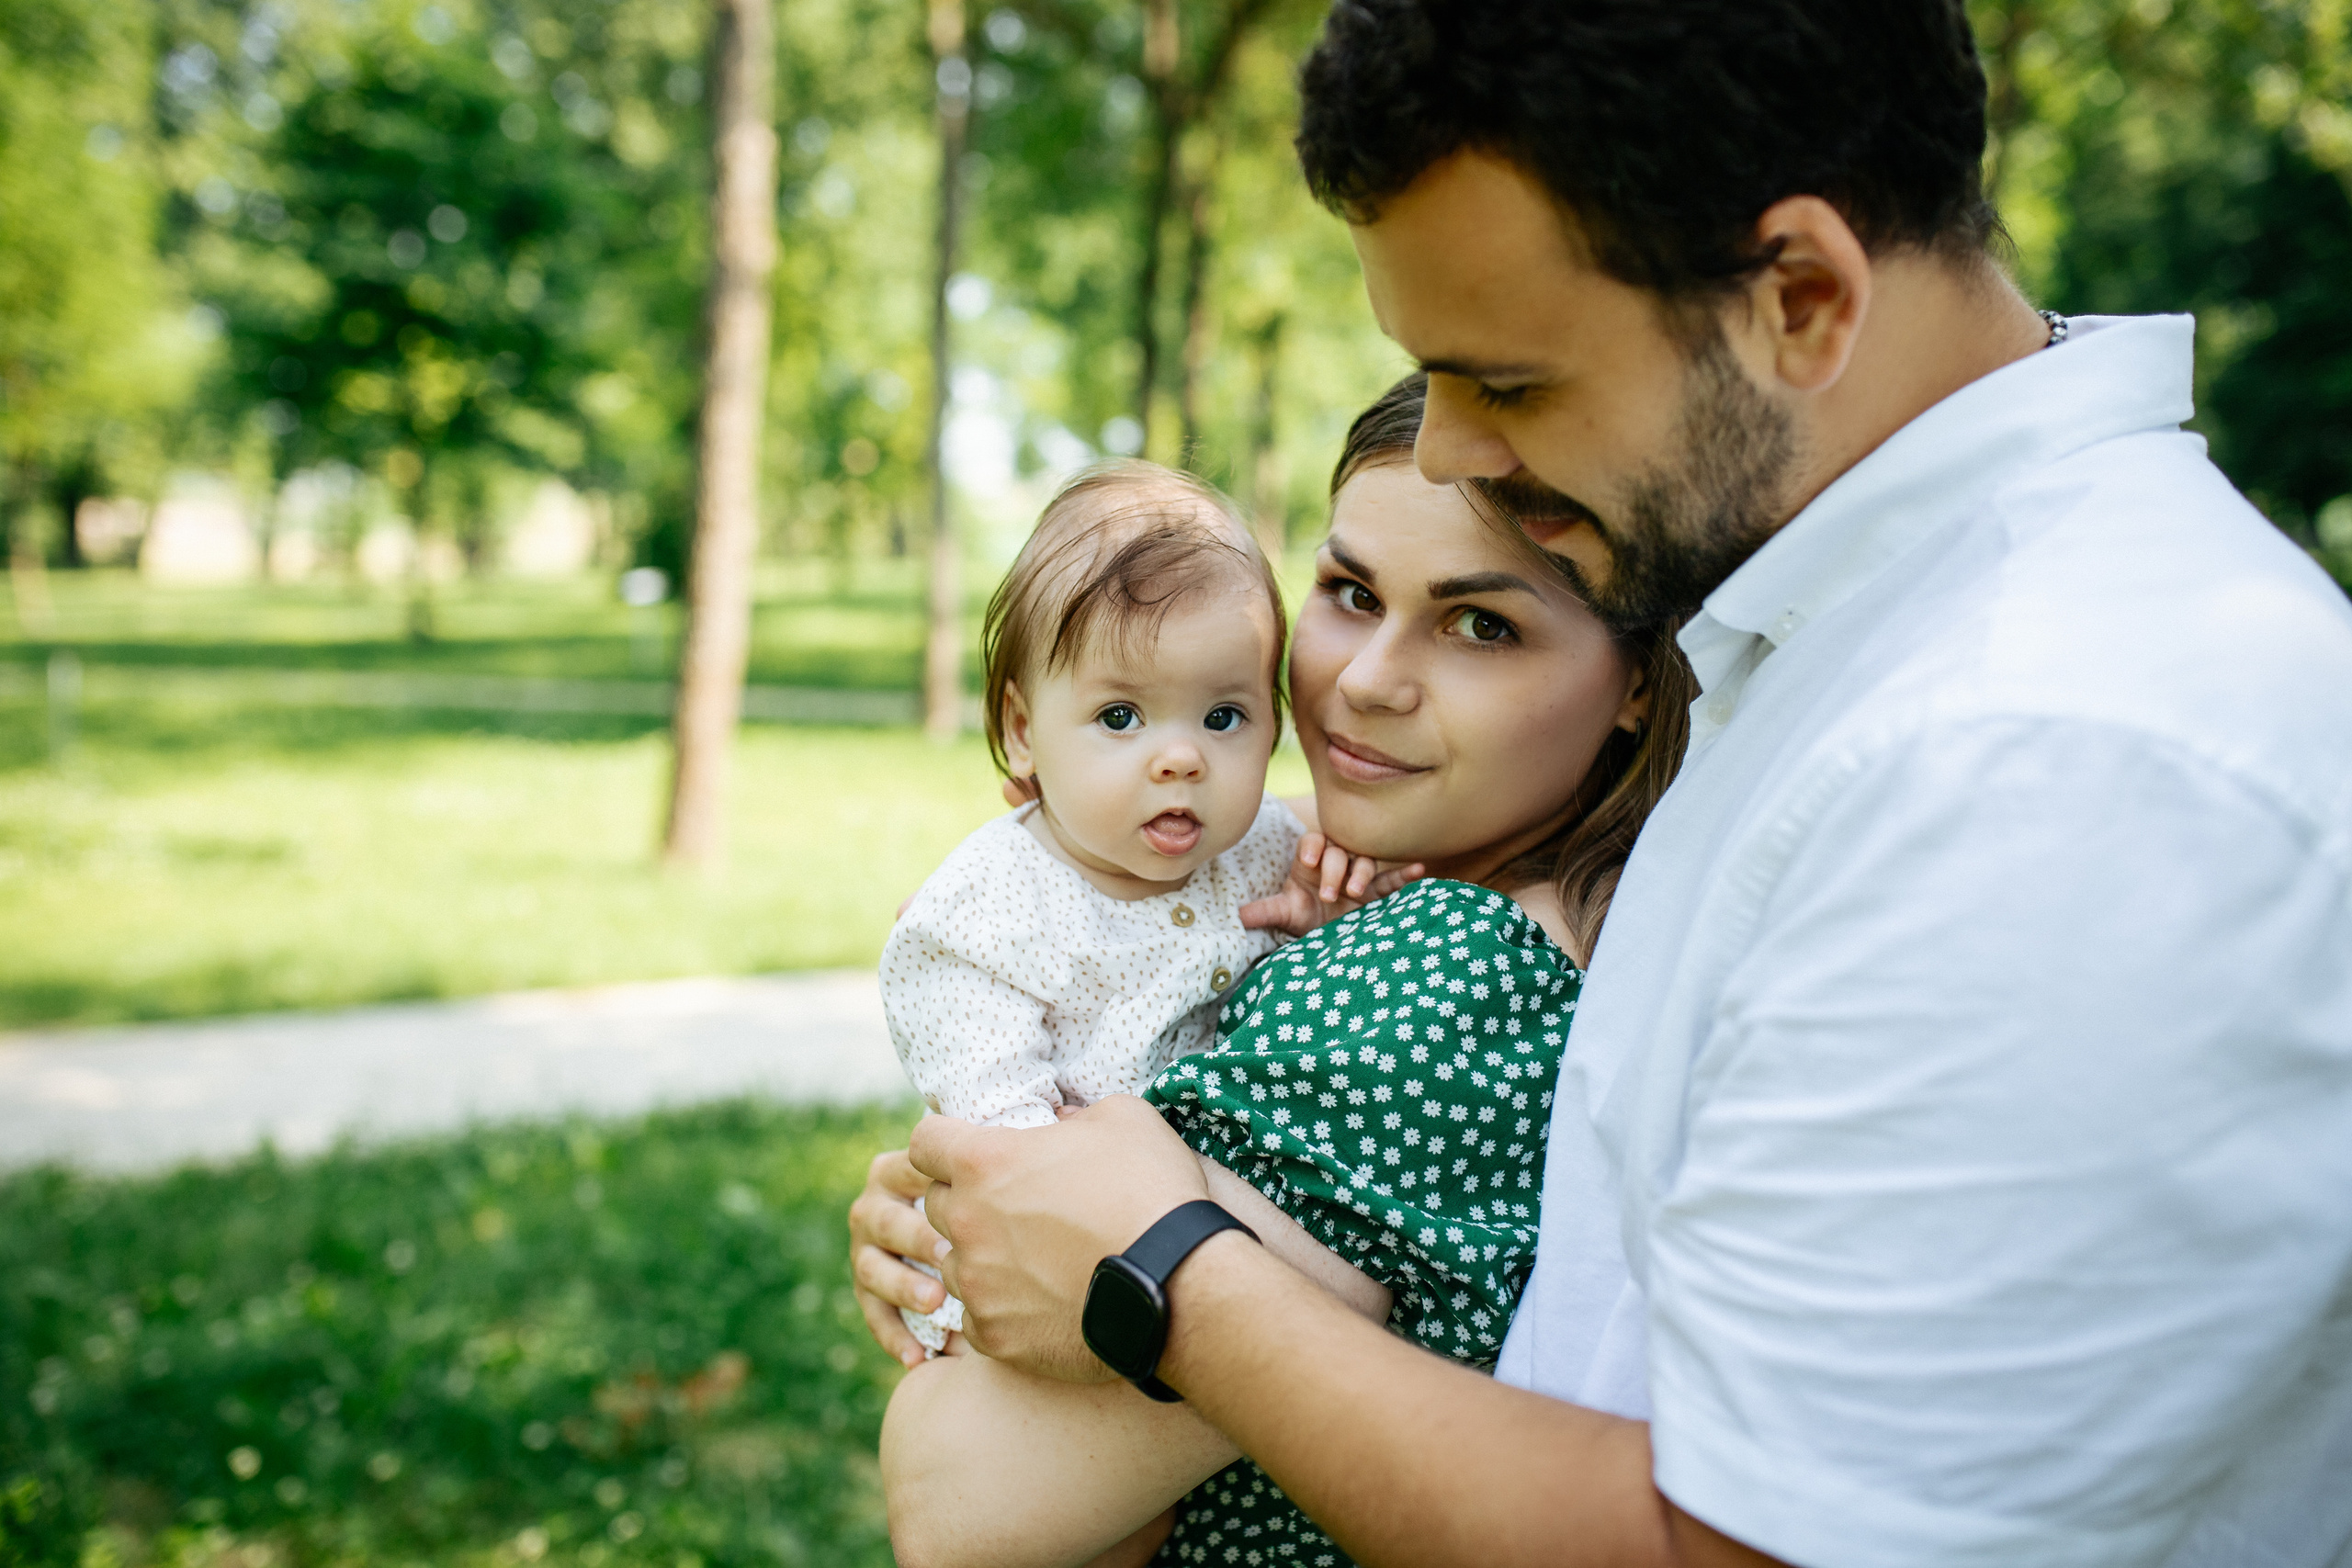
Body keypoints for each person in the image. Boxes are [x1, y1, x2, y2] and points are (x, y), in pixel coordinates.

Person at [864, 1, 2352, 1564]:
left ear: (1800, 300)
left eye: (1505, 382)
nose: (1447, 452)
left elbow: (1761, 1546)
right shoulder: (1839, 634)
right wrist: (1006, 1215)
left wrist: (1162, 1270)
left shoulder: (2050, 746)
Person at [868, 376, 1692, 1566]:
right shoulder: (1411, 887)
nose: (1364, 681)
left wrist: (977, 1259)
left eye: (1481, 624)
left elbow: (958, 1504)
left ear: (1636, 676)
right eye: (1352, 593)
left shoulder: (1438, 984)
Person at [883, 457, 1407, 1352]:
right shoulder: (980, 918)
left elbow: (1384, 875)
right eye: (1121, 718)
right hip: (1038, 1276)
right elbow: (998, 1147)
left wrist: (1327, 917)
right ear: (1022, 729)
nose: (1181, 759)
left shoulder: (1256, 851)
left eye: (1222, 717)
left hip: (1194, 1258)